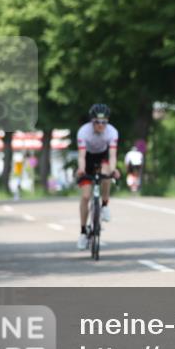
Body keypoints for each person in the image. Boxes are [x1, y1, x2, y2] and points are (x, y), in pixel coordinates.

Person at [76, 103, 120, 249]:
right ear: (92, 121)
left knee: (107, 173)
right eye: (97, 122)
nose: (101, 125)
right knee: (85, 196)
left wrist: (114, 170)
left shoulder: (112, 132)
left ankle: (105, 204)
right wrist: (81, 169)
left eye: (104, 122)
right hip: (87, 158)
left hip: (102, 157)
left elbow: (112, 155)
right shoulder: (83, 132)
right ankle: (83, 232)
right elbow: (81, 155)